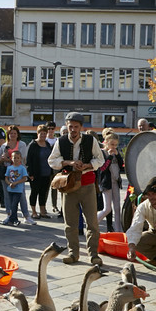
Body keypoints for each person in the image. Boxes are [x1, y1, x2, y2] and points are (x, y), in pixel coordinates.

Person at [49, 112, 105, 265]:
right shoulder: (61, 141)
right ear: (66, 126)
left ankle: (93, 254)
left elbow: (100, 159)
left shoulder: (90, 140)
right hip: (69, 186)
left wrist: (87, 165)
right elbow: (52, 161)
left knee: (92, 223)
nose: (73, 129)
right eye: (70, 126)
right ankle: (73, 253)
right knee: (70, 223)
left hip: (87, 184)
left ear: (81, 127)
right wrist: (69, 163)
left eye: (76, 127)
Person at [97, 128, 125, 232]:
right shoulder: (102, 153)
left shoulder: (116, 153)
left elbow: (122, 167)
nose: (114, 147)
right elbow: (103, 169)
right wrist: (109, 157)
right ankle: (94, 223)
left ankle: (118, 230)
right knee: (107, 208)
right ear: (106, 143)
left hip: (116, 182)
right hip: (106, 183)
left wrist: (117, 155)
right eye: (112, 144)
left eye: (116, 145)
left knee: (117, 208)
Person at [26, 123, 55, 219]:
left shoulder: (47, 144)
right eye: (41, 133)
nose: (43, 135)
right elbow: (28, 160)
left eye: (44, 133)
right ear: (37, 133)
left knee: (44, 193)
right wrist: (30, 173)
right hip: (36, 173)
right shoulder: (33, 145)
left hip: (46, 173)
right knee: (34, 192)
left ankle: (43, 211)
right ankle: (34, 211)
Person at [3, 149, 31, 225]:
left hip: (18, 190)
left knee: (14, 204)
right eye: (14, 158)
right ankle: (14, 219)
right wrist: (10, 184)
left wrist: (16, 183)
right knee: (11, 204)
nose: (16, 159)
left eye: (17, 158)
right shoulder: (9, 168)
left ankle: (13, 219)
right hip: (10, 189)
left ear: (20, 159)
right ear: (11, 158)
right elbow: (6, 177)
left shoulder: (22, 168)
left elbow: (24, 178)